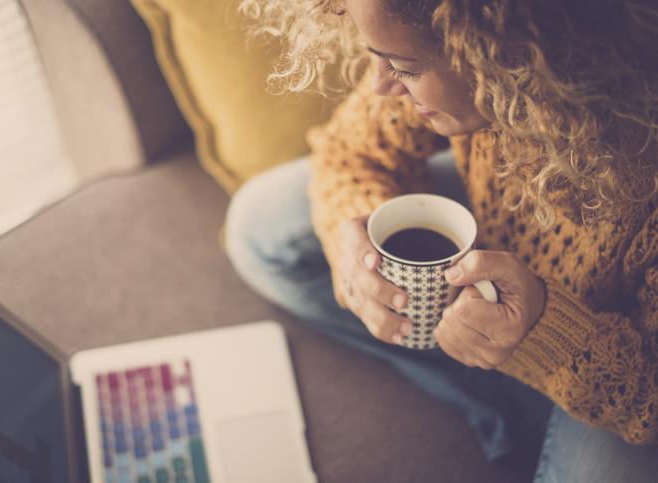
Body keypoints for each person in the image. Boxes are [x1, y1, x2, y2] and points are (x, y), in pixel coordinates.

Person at [225, 0, 658, 481]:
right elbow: (351, 153)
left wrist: (540, 331)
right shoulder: (442, 59)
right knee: (261, 224)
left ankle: (527, 403)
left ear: (507, 56)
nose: (380, 84)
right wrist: (354, 248)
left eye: (404, 67)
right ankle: (507, 401)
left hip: (616, 350)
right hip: (498, 234)